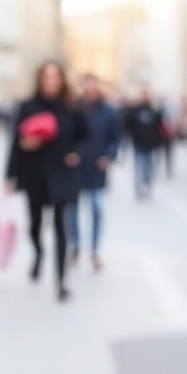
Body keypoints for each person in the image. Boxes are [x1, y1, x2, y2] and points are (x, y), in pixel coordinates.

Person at [5, 60, 85, 302]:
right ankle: (39, 252)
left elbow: (86, 137)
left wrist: (77, 153)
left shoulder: (71, 107)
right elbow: (16, 143)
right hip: (34, 175)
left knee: (62, 226)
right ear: (40, 80)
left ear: (61, 80)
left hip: (63, 174)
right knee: (35, 225)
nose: (50, 81)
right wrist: (10, 174)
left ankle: (61, 283)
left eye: (55, 77)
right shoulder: (28, 106)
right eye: (46, 77)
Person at [66, 73, 121, 273]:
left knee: (97, 208)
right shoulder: (74, 108)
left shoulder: (108, 111)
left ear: (97, 87)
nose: (88, 89)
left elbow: (116, 138)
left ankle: (95, 250)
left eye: (92, 86)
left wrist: (109, 156)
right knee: (71, 210)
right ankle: (76, 245)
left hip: (97, 168)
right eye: (85, 86)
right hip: (76, 167)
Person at [122, 85, 164, 199]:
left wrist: (159, 141)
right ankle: (139, 187)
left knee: (149, 167)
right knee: (139, 166)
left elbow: (160, 126)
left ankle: (147, 184)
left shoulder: (154, 110)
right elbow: (127, 124)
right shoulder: (134, 110)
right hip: (138, 143)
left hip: (151, 144)